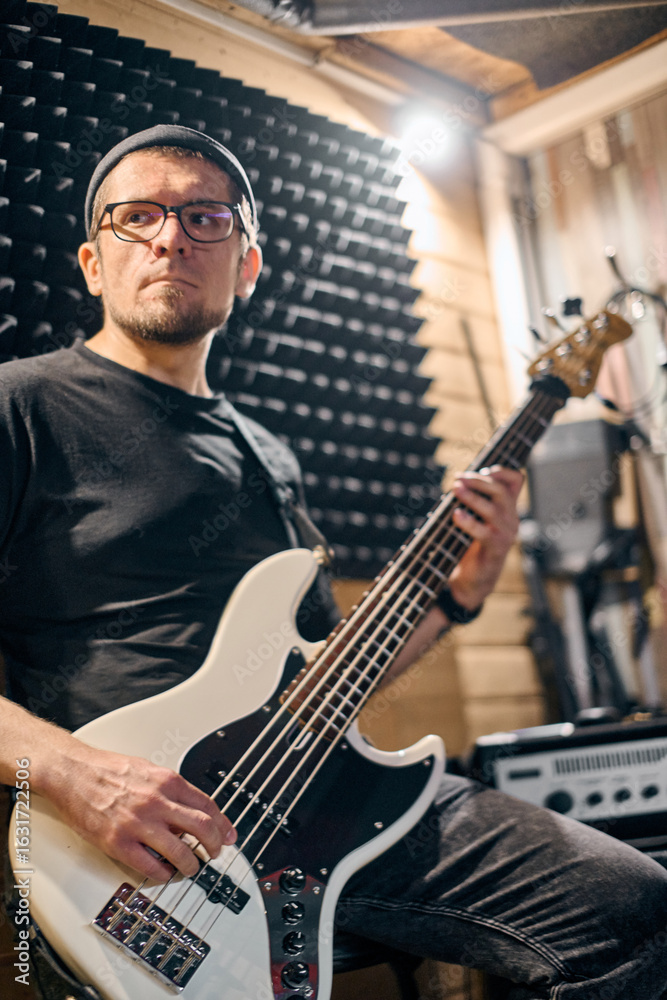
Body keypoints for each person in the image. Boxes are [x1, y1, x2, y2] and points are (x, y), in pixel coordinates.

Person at [1, 124, 666, 1000]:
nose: (170, 237)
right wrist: (68, 769)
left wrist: (457, 596)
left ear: (246, 265)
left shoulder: (266, 453)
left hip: (326, 800)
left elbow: (327, 672)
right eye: (137, 217)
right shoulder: (23, 406)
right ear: (93, 261)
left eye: (206, 218)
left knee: (633, 907)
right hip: (131, 848)